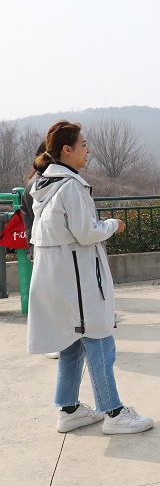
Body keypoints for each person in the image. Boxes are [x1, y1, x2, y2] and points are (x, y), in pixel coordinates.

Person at [27, 120, 153, 434]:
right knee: (100, 342)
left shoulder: (45, 186)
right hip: (77, 280)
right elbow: (86, 233)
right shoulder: (70, 186)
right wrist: (113, 225)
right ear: (67, 150)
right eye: (83, 145)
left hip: (59, 277)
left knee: (71, 344)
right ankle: (114, 413)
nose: (88, 150)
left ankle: (69, 409)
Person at [20, 141, 61, 359]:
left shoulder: (40, 182)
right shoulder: (39, 185)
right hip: (44, 247)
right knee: (48, 297)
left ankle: (56, 341)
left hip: (43, 246)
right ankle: (49, 343)